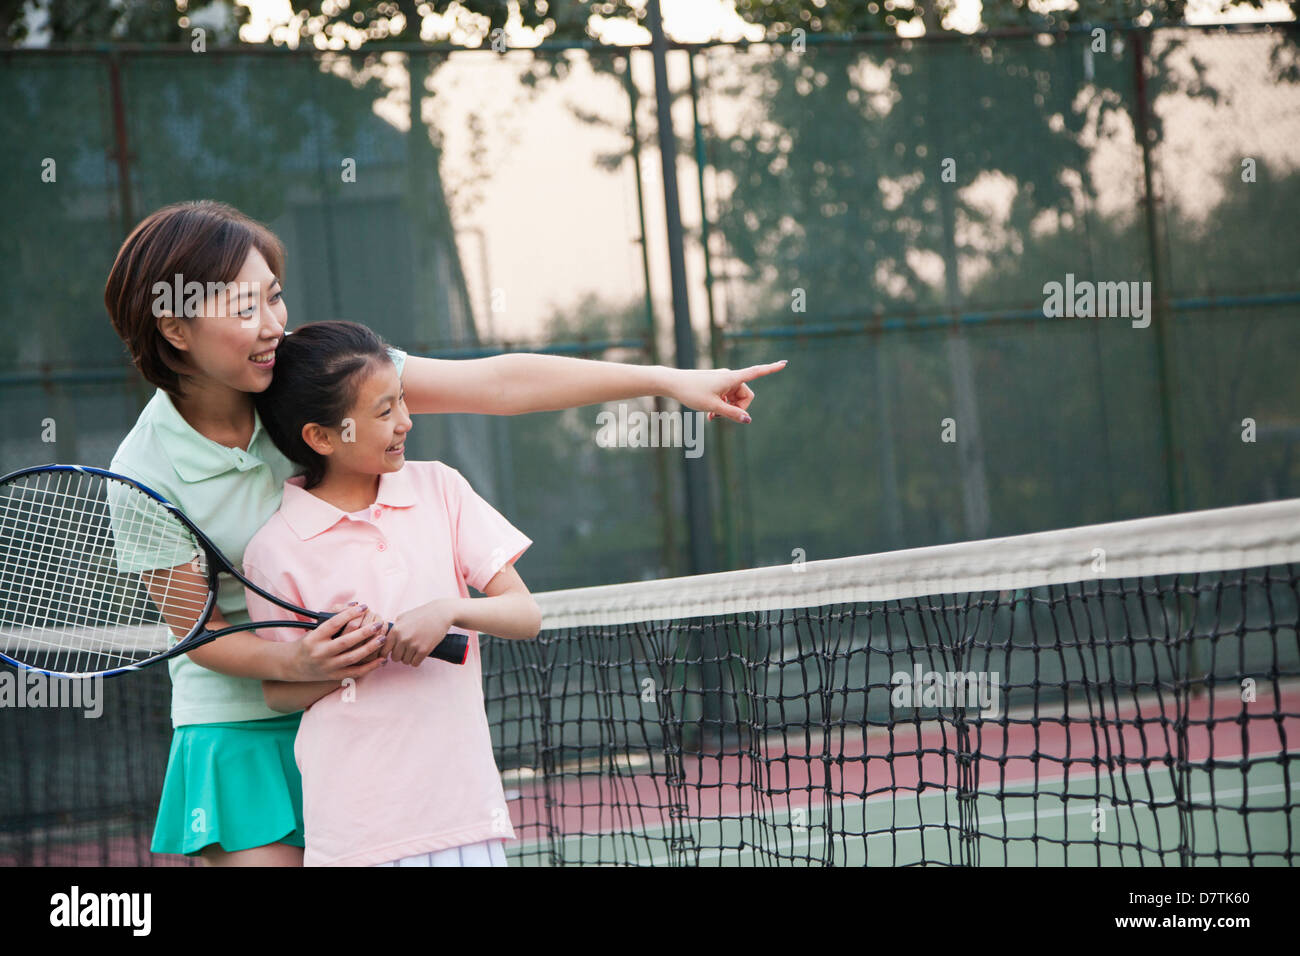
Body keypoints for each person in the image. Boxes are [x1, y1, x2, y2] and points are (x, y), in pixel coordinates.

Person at [104, 199, 784, 866]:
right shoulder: (142, 470)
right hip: (241, 729)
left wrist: (666, 379)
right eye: (245, 309)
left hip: (379, 728)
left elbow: (499, 385)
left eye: (275, 297)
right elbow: (199, 632)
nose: (274, 324)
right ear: (176, 330)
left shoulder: (316, 381)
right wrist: (299, 664)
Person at [239, 321, 537, 867]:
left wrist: (446, 609)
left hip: (462, 815)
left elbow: (525, 614)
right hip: (354, 836)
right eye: (383, 412)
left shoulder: (440, 488)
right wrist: (340, 662)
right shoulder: (273, 549)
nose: (406, 421)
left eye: (400, 401)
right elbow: (278, 694)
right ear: (322, 438)